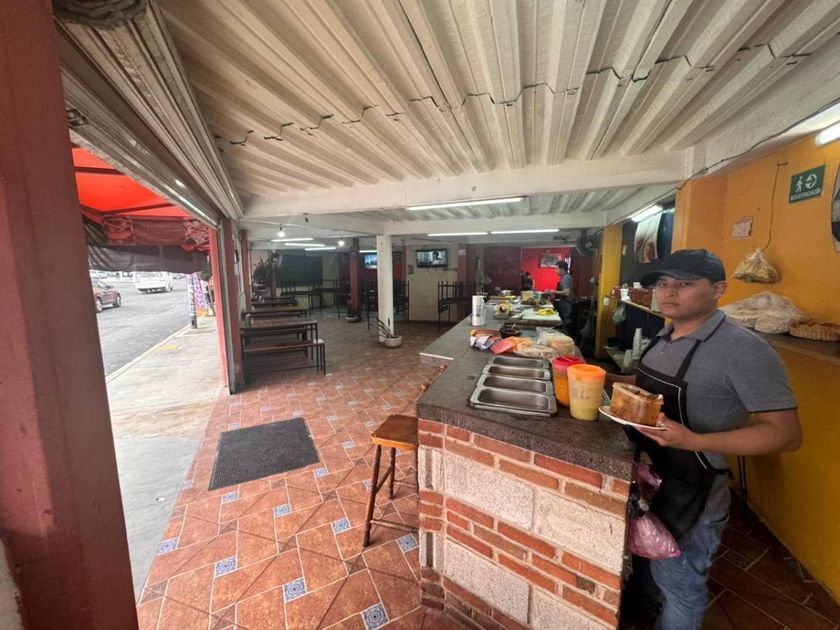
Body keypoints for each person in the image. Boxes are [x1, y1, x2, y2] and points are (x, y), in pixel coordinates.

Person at [613, 249, 802, 630]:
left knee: (680, 584)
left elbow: (786, 434)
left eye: (684, 284)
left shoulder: (745, 350)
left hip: (694, 489)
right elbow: (645, 386)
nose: (669, 292)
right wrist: (600, 378)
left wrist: (692, 440)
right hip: (651, 476)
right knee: (647, 564)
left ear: (718, 290)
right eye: (663, 283)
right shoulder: (665, 334)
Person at [552, 261, 574, 330]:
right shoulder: (564, 277)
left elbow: (566, 293)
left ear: (562, 269)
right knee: (563, 322)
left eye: (557, 269)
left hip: (567, 304)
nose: (555, 271)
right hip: (564, 304)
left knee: (566, 324)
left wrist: (553, 291)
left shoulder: (567, 278)